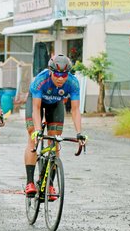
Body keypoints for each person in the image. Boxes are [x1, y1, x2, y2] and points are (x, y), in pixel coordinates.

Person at [24, 54, 85, 199]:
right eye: (57, 74)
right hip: (36, 102)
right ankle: (30, 182)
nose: (60, 78)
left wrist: (79, 133)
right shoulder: (40, 81)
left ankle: (49, 183)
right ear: (51, 72)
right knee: (33, 136)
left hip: (55, 105)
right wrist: (38, 131)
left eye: (64, 75)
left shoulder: (73, 83)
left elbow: (75, 110)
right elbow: (36, 108)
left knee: (55, 140)